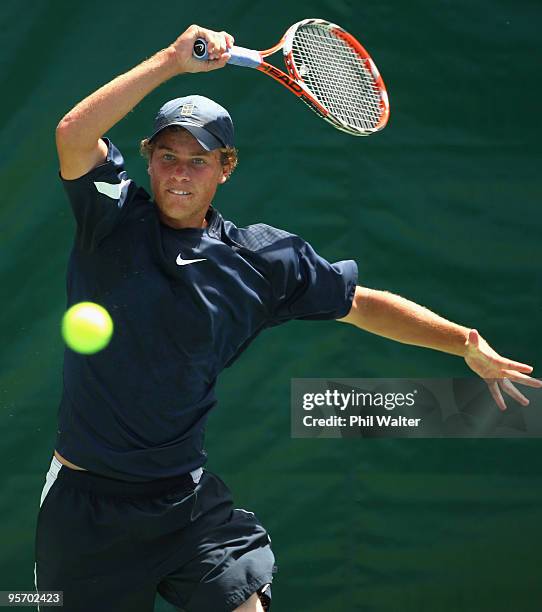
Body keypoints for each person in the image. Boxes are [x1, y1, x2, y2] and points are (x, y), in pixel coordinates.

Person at [34, 24, 541, 612]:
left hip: (184, 502)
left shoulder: (262, 261)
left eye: (198, 161)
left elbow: (362, 305)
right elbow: (73, 132)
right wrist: (172, 62)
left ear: (226, 167)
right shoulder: (111, 219)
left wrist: (463, 343)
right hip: (85, 507)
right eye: (167, 156)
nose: (179, 172)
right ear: (147, 158)